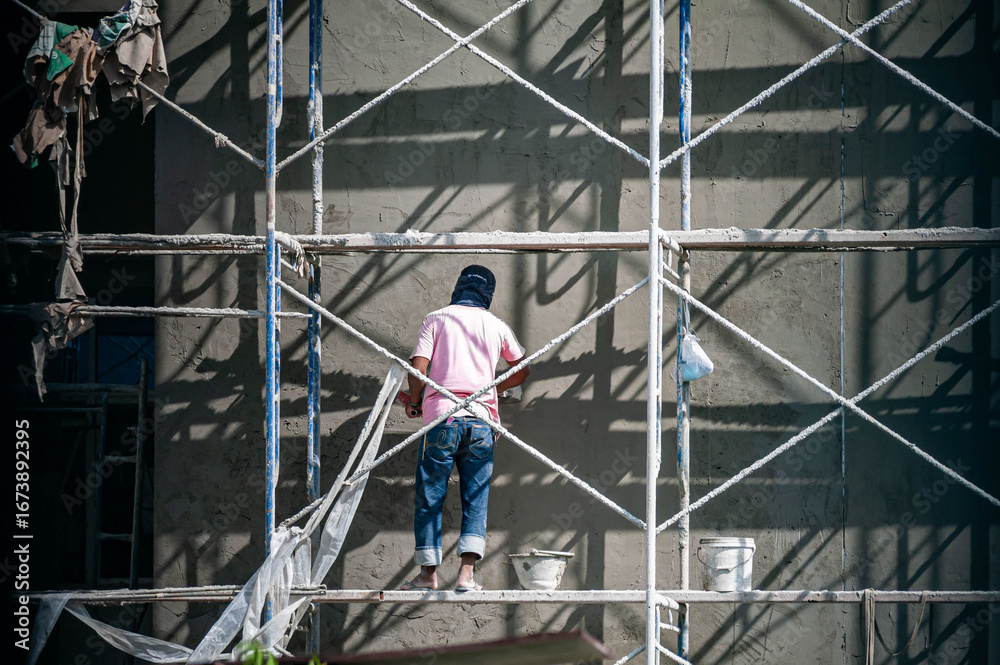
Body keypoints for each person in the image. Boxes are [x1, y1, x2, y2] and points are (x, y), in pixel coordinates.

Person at [401, 265, 530, 591]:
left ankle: (428, 575)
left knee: (430, 496)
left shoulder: (436, 319)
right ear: (488, 294)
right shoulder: (496, 325)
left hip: (442, 419)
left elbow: (417, 371)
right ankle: (466, 575)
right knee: (476, 497)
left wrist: (415, 401)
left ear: (458, 288)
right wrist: (493, 388)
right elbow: (522, 371)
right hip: (481, 422)